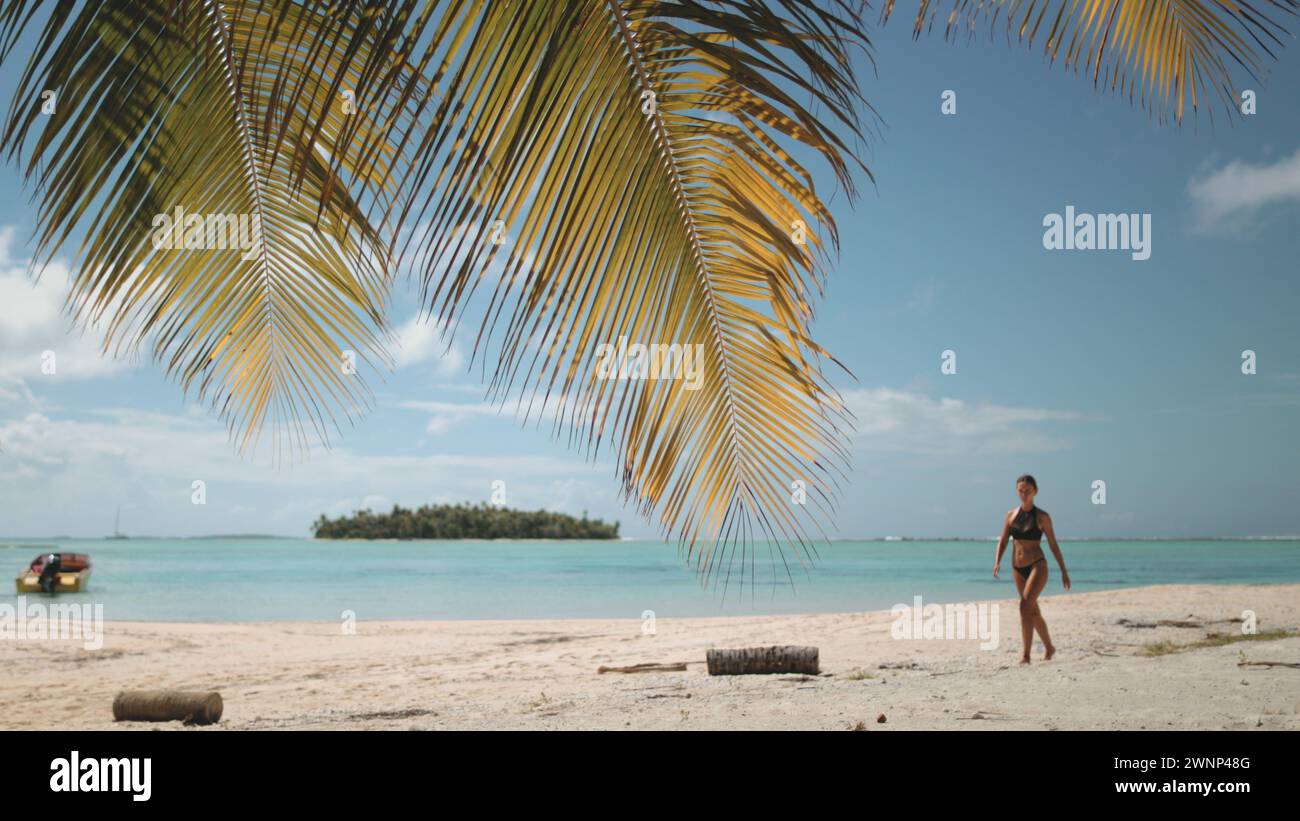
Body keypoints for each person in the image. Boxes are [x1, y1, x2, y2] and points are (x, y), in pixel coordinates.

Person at [994, 475, 1070, 663]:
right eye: (1021, 490)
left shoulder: (1042, 517)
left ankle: (1026, 655)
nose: (1024, 493)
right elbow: (1003, 541)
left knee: (1024, 606)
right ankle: (1050, 648)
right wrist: (997, 561)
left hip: (1037, 566)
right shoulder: (1010, 515)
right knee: (1032, 611)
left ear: (1035, 491)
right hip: (1017, 568)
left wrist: (1063, 570)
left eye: (1028, 490)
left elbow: (1053, 544)